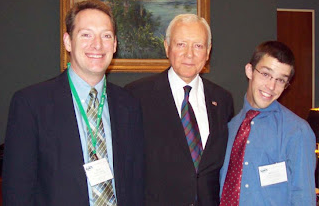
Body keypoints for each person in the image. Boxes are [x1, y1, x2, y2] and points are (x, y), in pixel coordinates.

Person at [3, 0, 144, 206]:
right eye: (86, 34)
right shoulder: (31, 104)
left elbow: (135, 184)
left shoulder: (129, 105)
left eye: (106, 36)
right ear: (68, 41)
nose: (97, 44)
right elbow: (17, 192)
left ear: (114, 45)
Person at [125, 14, 234, 206]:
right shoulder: (136, 96)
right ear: (167, 47)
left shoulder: (222, 100)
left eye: (198, 46)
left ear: (208, 52)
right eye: (181, 44)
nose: (189, 54)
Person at [219, 41, 316, 205]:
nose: (271, 86)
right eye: (265, 74)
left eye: (280, 80)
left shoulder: (297, 131)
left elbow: (303, 197)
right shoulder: (229, 127)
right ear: (249, 71)